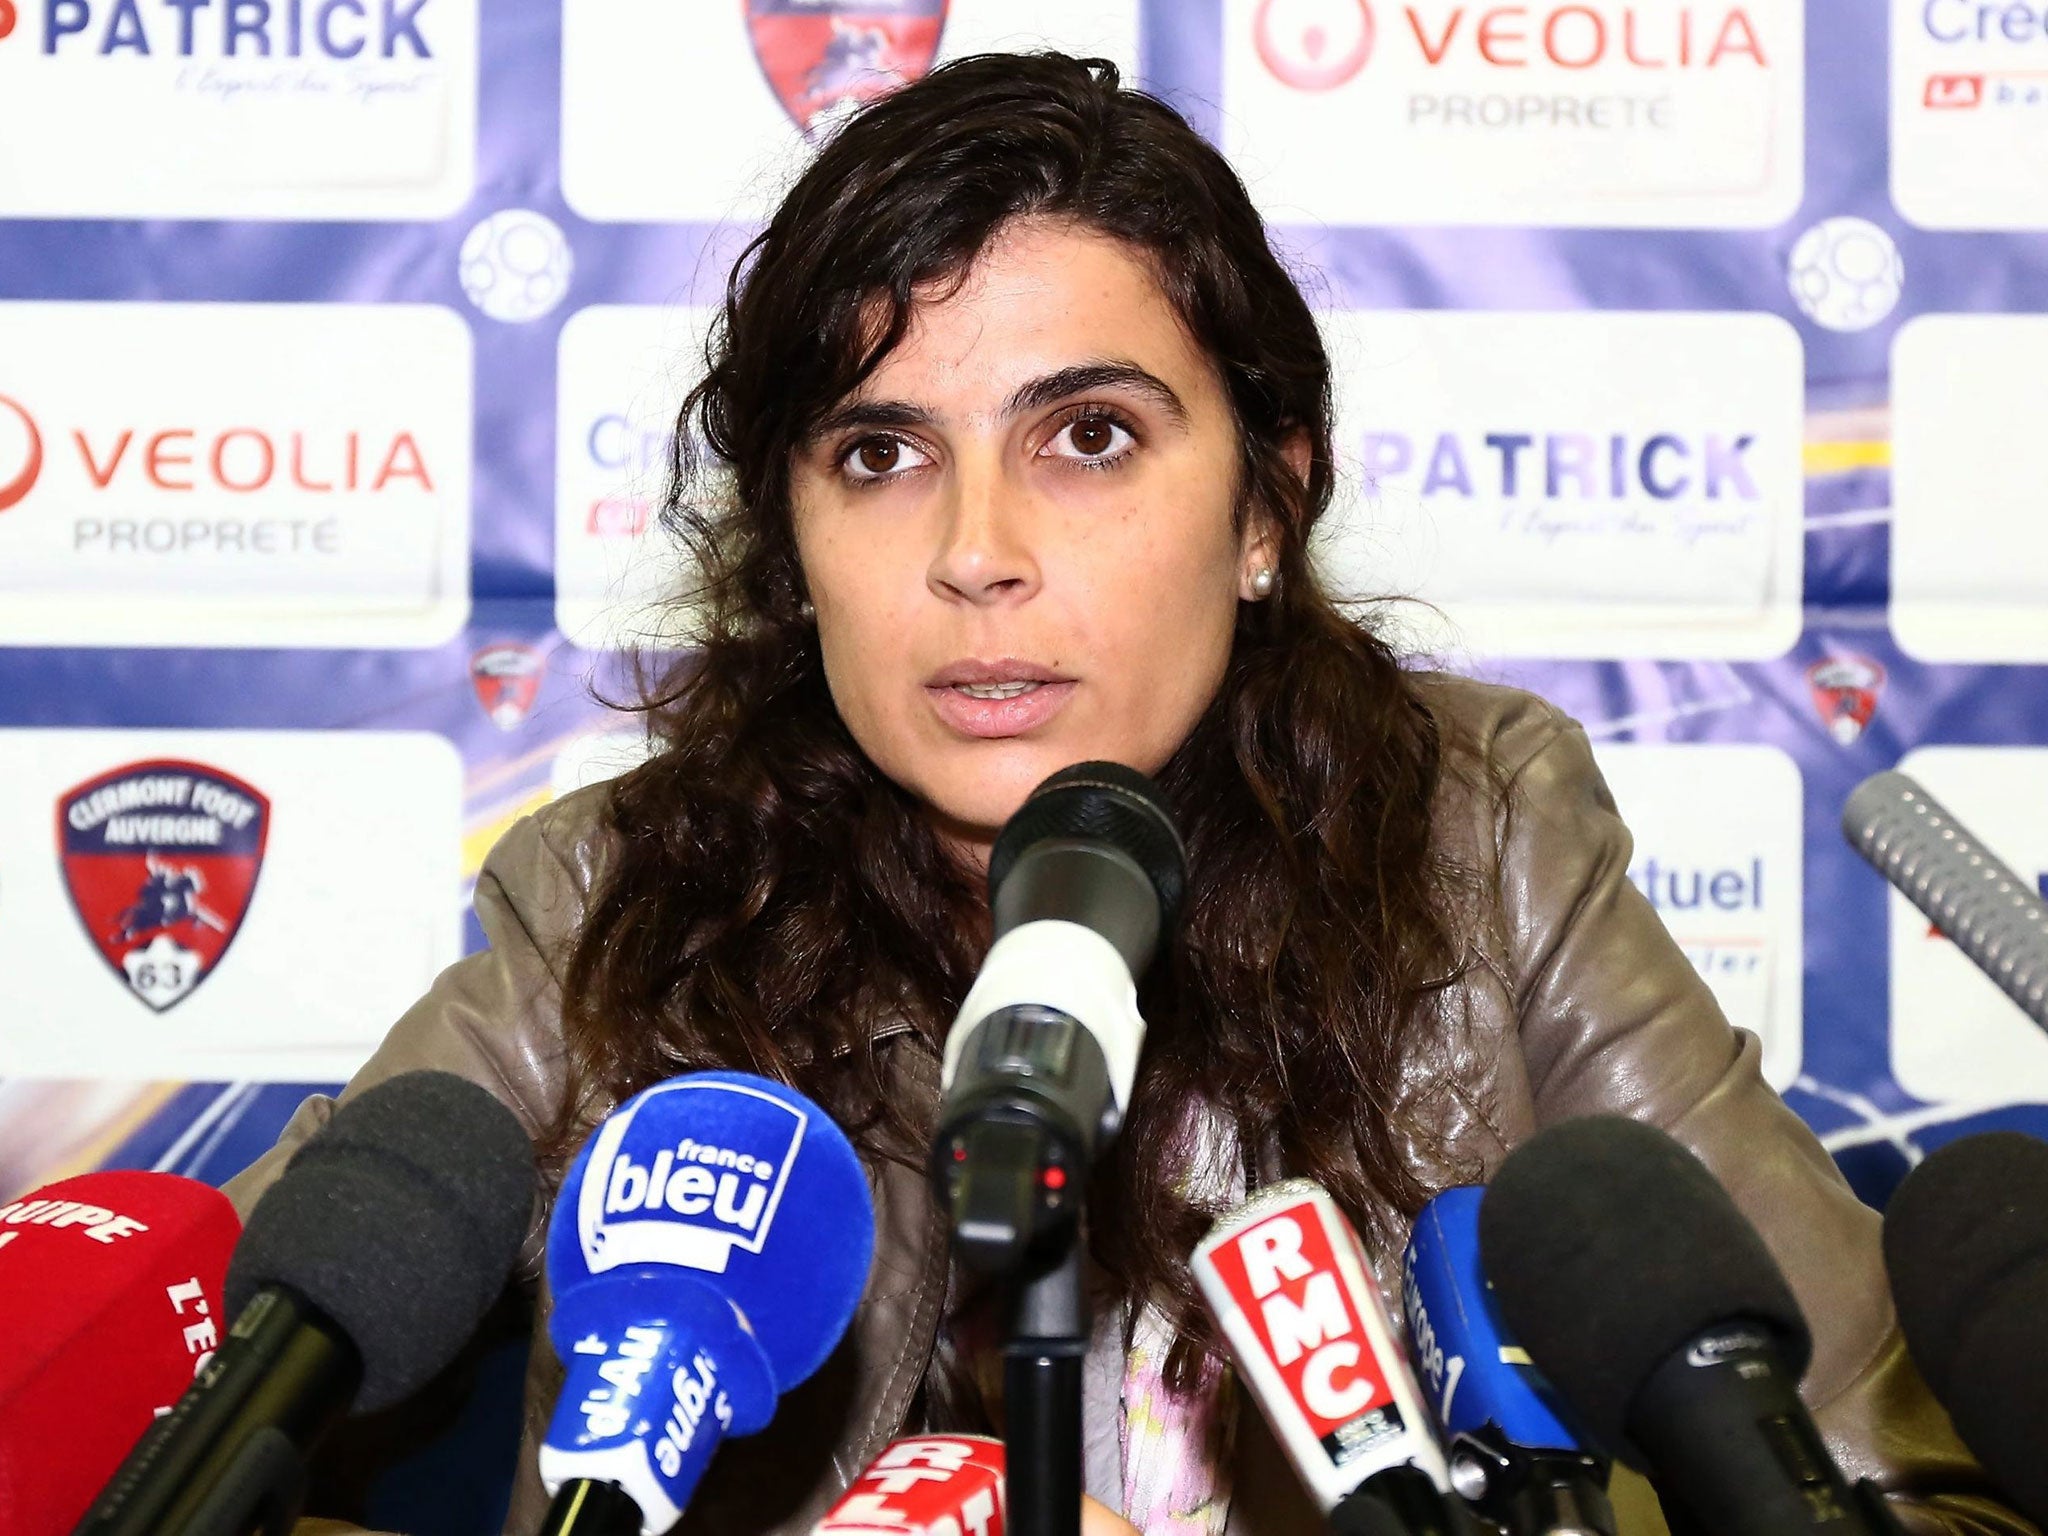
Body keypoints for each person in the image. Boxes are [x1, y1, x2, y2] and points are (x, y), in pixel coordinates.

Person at [228, 51, 2027, 1536]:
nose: (978, 554)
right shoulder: (612, 901)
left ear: (1263, 507)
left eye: (1087, 437)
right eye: (880, 454)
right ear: (789, 544)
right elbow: (205, 1451)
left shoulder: (1483, 842)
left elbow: (1901, 1488)